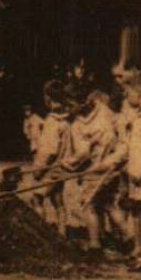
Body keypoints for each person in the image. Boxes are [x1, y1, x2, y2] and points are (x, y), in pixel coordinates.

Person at [102, 74, 141, 272]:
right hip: (138, 179)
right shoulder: (139, 116)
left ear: (138, 92)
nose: (125, 96)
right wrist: (107, 163)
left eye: (127, 92)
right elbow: (127, 147)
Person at [63, 89, 119, 255]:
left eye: (70, 105)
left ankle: (95, 245)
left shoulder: (78, 125)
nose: (69, 109)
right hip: (112, 165)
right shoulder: (105, 111)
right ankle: (126, 239)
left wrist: (67, 163)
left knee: (88, 205)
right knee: (109, 204)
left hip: (94, 169)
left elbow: (82, 153)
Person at [29, 81, 74, 232]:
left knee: (37, 199)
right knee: (57, 200)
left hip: (50, 168)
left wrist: (38, 170)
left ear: (47, 98)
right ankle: (62, 233)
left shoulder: (52, 122)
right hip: (61, 167)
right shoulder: (66, 120)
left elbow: (49, 151)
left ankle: (41, 234)